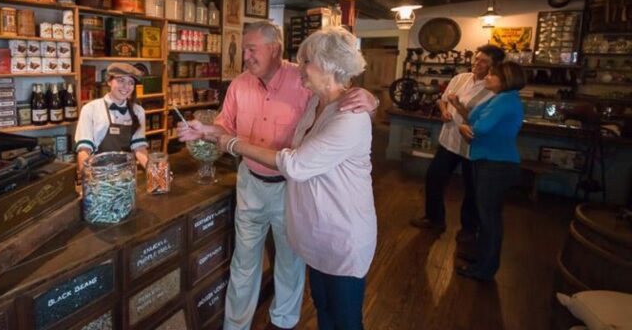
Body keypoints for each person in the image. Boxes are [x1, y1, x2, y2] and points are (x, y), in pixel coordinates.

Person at [178, 21, 378, 330]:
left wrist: (371, 100)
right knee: (245, 262)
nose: (244, 55)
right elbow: (225, 127)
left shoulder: (305, 85)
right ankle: (236, 326)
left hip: (293, 191)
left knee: (291, 263)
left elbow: (342, 105)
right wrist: (205, 131)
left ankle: (283, 323)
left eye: (251, 49)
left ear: (275, 49)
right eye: (244, 49)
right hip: (255, 185)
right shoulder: (247, 86)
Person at [410, 44, 505, 241]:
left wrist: (456, 105)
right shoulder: (460, 78)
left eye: (483, 61)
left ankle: (469, 229)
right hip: (449, 140)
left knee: (472, 189)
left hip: (473, 146)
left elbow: (480, 121)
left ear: (494, 65)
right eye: (476, 58)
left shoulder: (493, 90)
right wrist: (444, 109)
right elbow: (443, 99)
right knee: (434, 179)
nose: (477, 63)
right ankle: (434, 218)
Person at [455, 61, 525, 281]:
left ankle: (485, 269)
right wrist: (466, 124)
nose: (486, 77)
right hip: (490, 162)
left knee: (489, 219)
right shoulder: (499, 98)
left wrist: (465, 128)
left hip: (496, 165)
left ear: (504, 79)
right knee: (487, 216)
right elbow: (474, 118)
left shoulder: (505, 100)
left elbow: (479, 128)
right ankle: (483, 260)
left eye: (491, 75)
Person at [74, 63, 149, 171]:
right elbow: (84, 149)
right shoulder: (90, 109)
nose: (126, 87)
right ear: (109, 81)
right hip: (97, 174)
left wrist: (153, 170)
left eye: (130, 82)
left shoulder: (138, 111)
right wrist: (87, 175)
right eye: (121, 80)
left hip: (126, 175)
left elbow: (139, 147)